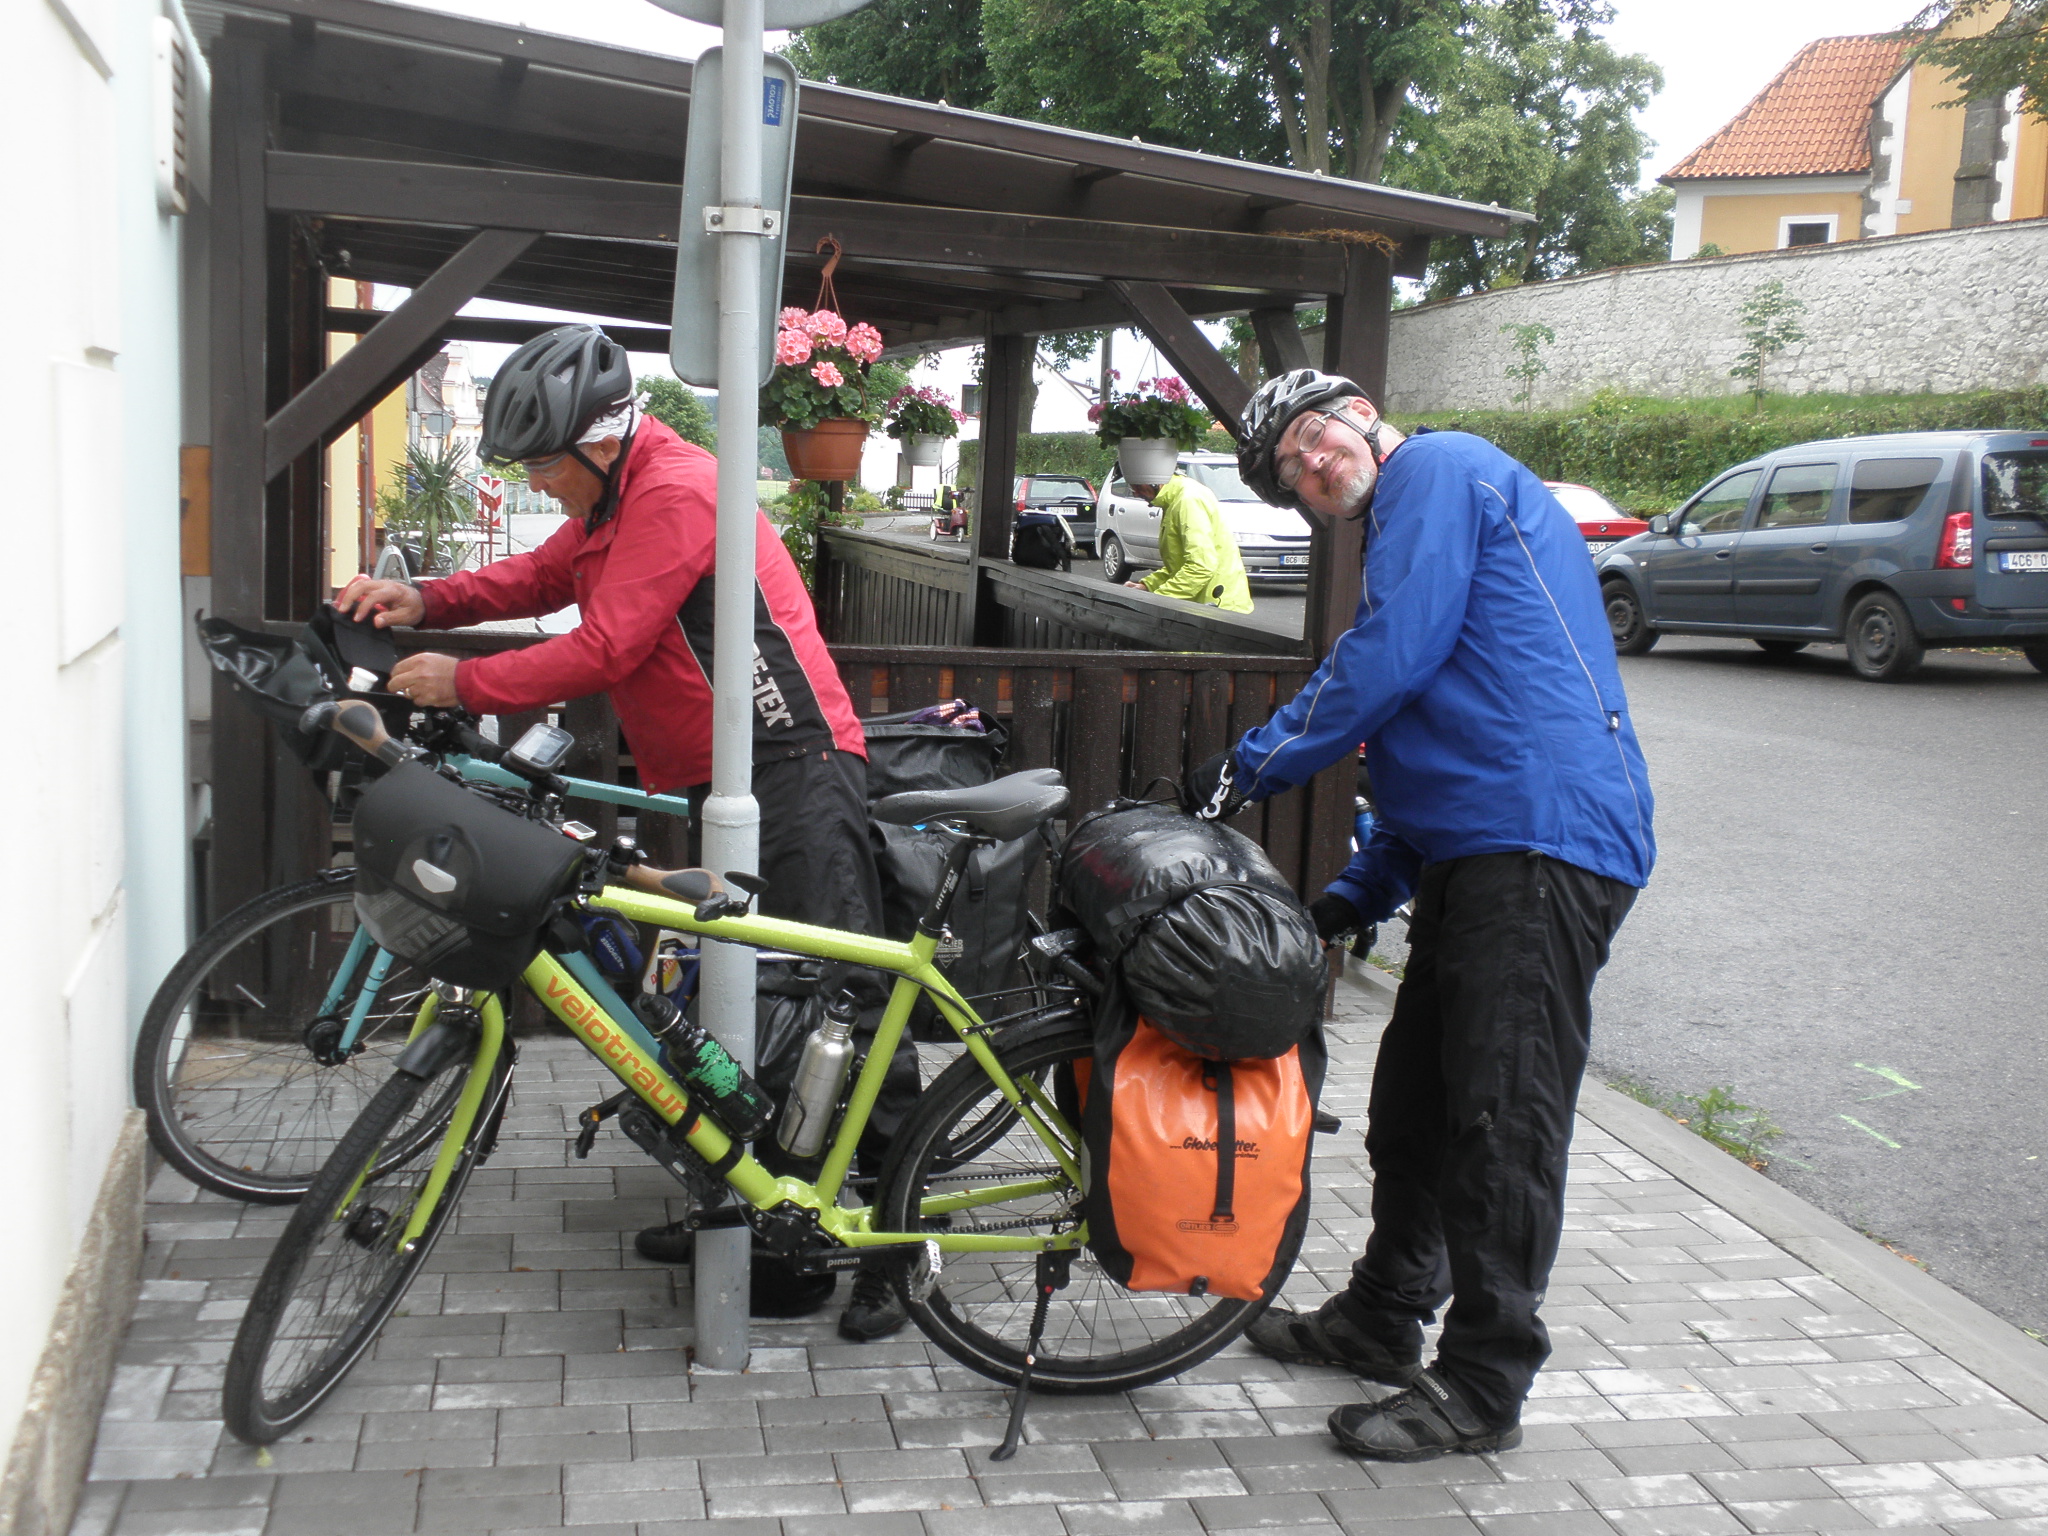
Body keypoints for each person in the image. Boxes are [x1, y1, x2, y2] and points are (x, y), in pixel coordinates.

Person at [334, 323, 908, 1342]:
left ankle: (894, 1255)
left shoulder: (677, 491)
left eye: (546, 464)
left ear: (600, 441)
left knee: (844, 1007)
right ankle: (760, 1217)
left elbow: (604, 647)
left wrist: (465, 679)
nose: (539, 482)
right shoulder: (614, 497)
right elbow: (539, 579)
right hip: (715, 776)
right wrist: (425, 598)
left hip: (795, 767)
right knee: (742, 1009)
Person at [1182, 369, 1655, 1462]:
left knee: (1499, 1123)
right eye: (1287, 473)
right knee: (1412, 1109)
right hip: (1480, 845)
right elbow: (1444, 719)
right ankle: (1382, 1318)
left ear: (1357, 414)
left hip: (1540, 841)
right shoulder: (1420, 503)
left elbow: (1390, 660)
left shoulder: (1436, 468)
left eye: (1310, 437)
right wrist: (1358, 888)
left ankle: (1483, 1389)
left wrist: (1244, 769)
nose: (1308, 466)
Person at [1122, 471, 1253, 612]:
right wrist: (1148, 586)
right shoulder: (1175, 497)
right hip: (1206, 603)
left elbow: (1200, 567)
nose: (1136, 493)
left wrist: (1158, 599)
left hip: (1218, 607)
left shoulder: (1187, 500)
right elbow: (1179, 565)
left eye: (1137, 486)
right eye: (1132, 487)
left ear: (1154, 480)